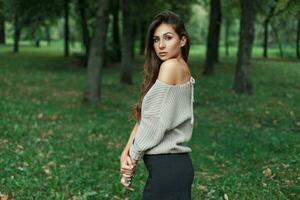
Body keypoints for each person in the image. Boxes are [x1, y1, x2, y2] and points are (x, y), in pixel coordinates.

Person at [119, 10, 195, 199]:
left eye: (168, 38)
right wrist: (125, 153)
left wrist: (133, 160)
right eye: (155, 39)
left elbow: (152, 124)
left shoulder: (170, 67)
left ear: (182, 40)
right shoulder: (177, 66)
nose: (160, 45)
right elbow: (145, 118)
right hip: (174, 168)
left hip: (168, 169)